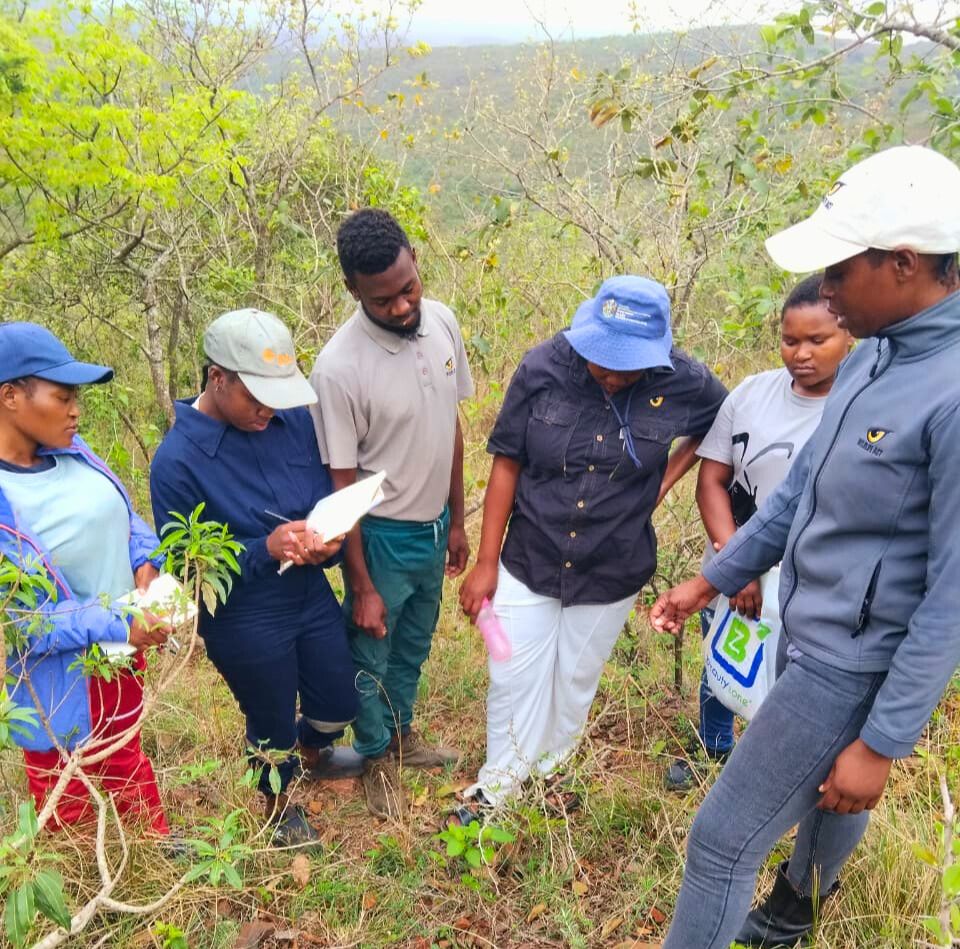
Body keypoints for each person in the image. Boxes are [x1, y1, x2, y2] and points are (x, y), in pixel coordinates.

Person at [650, 145, 960, 948]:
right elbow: (797, 495)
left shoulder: (951, 393)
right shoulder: (876, 356)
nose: (824, 289)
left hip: (850, 667)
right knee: (820, 797)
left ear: (902, 264)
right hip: (806, 631)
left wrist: (883, 740)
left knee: (719, 842)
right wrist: (711, 579)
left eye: (837, 269)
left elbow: (951, 596)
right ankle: (793, 912)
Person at [456, 275, 728, 816]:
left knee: (575, 679)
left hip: (612, 566)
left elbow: (722, 423)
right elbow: (506, 462)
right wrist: (486, 562)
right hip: (528, 557)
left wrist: (665, 479)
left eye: (624, 365)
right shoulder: (542, 369)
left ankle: (549, 776)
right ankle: (496, 790)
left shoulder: (686, 382)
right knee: (511, 671)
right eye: (600, 358)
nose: (607, 372)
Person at [150, 309, 361, 848]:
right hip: (244, 614)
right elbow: (185, 567)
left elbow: (319, 496)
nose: (268, 409)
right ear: (217, 378)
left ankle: (312, 750)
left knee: (338, 697)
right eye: (255, 396)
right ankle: (277, 803)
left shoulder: (290, 423)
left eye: (277, 395)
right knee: (268, 712)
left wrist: (327, 539)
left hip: (306, 590)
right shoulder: (176, 462)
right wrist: (263, 549)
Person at [309, 208, 473, 818]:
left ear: (415, 260)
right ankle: (374, 754)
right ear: (354, 290)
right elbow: (342, 485)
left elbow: (450, 426)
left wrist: (456, 521)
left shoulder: (444, 323)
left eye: (409, 289)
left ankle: (403, 737)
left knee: (412, 647)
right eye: (384, 300)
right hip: (378, 537)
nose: (404, 308)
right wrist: (361, 583)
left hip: (432, 530)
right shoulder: (339, 369)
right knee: (370, 651)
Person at [666, 274, 852, 790]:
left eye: (819, 340)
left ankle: (777, 773)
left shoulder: (858, 411)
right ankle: (714, 751)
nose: (803, 354)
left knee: (790, 681)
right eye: (791, 340)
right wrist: (734, 567)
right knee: (723, 655)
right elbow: (712, 481)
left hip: (808, 583)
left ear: (848, 335)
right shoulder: (752, 394)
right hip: (731, 563)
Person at [0, 323, 171, 835]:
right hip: (60, 677)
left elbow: (125, 517)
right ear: (10, 396)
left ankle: (153, 847)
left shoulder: (74, 450)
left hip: (122, 648)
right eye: (62, 396)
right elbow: (22, 620)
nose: (76, 410)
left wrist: (144, 564)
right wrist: (119, 621)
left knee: (124, 755)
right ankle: (84, 893)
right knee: (65, 784)